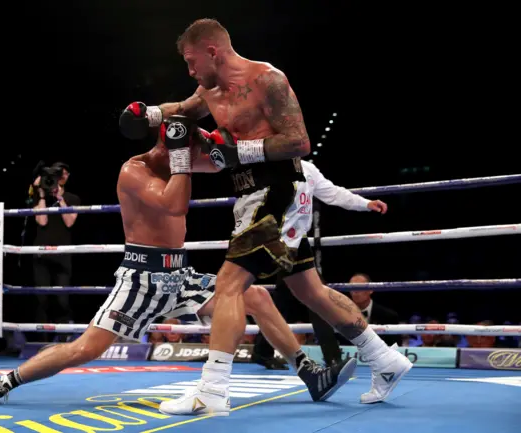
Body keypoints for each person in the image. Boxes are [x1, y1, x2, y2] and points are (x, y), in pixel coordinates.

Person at [0, 115, 356, 409]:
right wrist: (184, 158)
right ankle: (4, 382)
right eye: (188, 154)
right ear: (167, 148)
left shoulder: (182, 158)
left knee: (258, 299)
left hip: (178, 273)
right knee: (86, 349)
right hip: (141, 276)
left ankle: (309, 374)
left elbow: (226, 160)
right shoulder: (134, 170)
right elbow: (174, 204)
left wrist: (228, 140)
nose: (196, 160)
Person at [120, 18, 411, 415]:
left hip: (277, 192)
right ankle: (385, 360)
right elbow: (183, 111)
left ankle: (212, 390)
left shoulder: (267, 80)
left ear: (212, 51)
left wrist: (241, 152)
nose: (189, 72)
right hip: (251, 194)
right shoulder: (210, 89)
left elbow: (299, 141)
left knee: (228, 286)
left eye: (191, 62)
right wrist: (148, 113)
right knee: (310, 291)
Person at [254, 162, 391, 366]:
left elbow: (332, 193)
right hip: (267, 237)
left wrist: (365, 203)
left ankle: (262, 353)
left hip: (296, 241)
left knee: (297, 296)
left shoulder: (307, 168)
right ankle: (338, 357)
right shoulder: (263, 163)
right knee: (315, 296)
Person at [31, 162, 80, 340]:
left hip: (63, 254)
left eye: (65, 173)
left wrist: (60, 198)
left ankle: (64, 337)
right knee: (42, 299)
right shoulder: (38, 197)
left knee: (62, 299)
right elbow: (42, 221)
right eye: (59, 174)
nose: (62, 176)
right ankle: (41, 340)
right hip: (41, 254)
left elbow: (69, 222)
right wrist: (42, 195)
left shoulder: (72, 198)